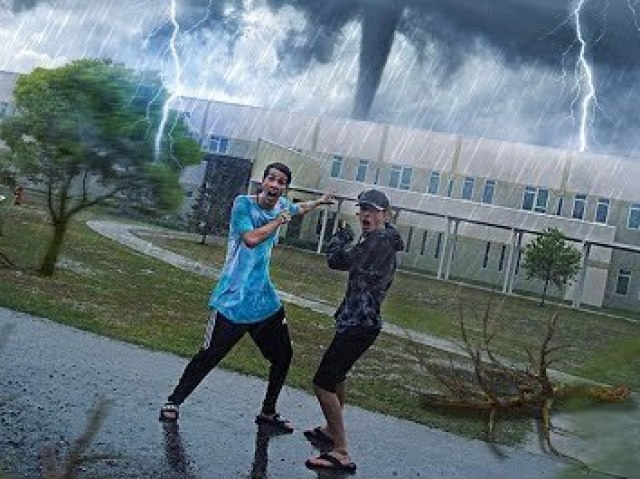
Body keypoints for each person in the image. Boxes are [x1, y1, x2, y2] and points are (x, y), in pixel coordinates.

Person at [159, 162, 333, 433]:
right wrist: (278, 221)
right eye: (271, 179)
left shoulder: (283, 206)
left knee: (283, 356)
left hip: (263, 301)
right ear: (263, 182)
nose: (275, 185)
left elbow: (299, 209)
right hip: (233, 300)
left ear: (285, 187)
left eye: (281, 182)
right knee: (209, 355)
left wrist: (320, 202)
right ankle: (174, 402)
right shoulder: (243, 205)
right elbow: (251, 238)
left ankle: (268, 412)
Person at [304, 189, 404, 473]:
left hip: (359, 324)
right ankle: (330, 430)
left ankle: (341, 451)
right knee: (337, 377)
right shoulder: (385, 238)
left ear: (386, 213)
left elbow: (337, 261)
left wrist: (339, 238)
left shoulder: (378, 243)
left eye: (372, 211)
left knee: (323, 382)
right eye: (362, 210)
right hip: (358, 321)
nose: (365, 216)